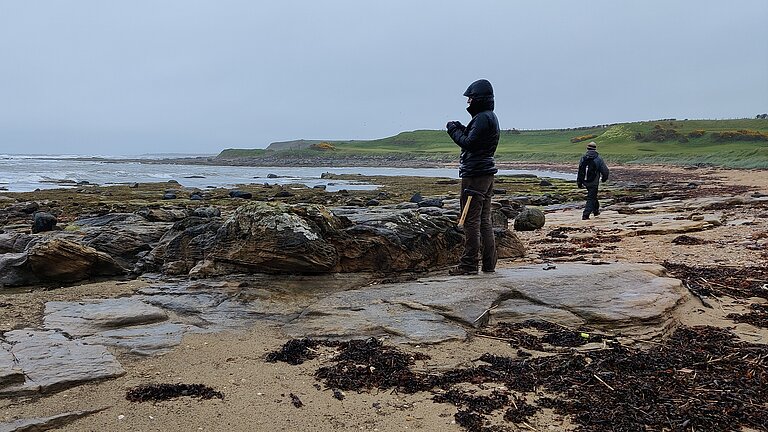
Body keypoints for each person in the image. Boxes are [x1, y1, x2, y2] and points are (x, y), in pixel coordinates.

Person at [446, 79, 500, 275]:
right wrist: (462, 127)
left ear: (478, 99)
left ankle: (468, 265)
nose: (468, 102)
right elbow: (476, 140)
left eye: (470, 98)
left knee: (470, 220)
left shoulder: (482, 118)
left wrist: (453, 130)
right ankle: (488, 264)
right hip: (486, 174)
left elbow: (469, 144)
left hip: (475, 175)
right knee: (484, 220)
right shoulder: (489, 117)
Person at [576, 141, 610, 220]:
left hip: (584, 181)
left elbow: (580, 170)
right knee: (591, 197)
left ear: (587, 148)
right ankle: (585, 215)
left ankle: (596, 211)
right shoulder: (598, 158)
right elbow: (605, 171)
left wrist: (579, 182)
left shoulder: (583, 158)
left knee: (592, 196)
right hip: (593, 182)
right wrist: (604, 179)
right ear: (595, 149)